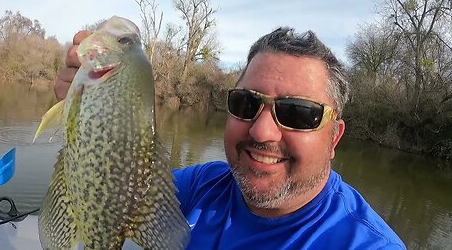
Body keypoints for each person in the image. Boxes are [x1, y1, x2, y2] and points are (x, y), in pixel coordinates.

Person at [55, 27, 406, 249]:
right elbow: (110, 197)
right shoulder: (200, 186)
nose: (261, 130)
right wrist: (92, 121)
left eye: (298, 113)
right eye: (246, 102)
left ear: (334, 137)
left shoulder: (365, 244)